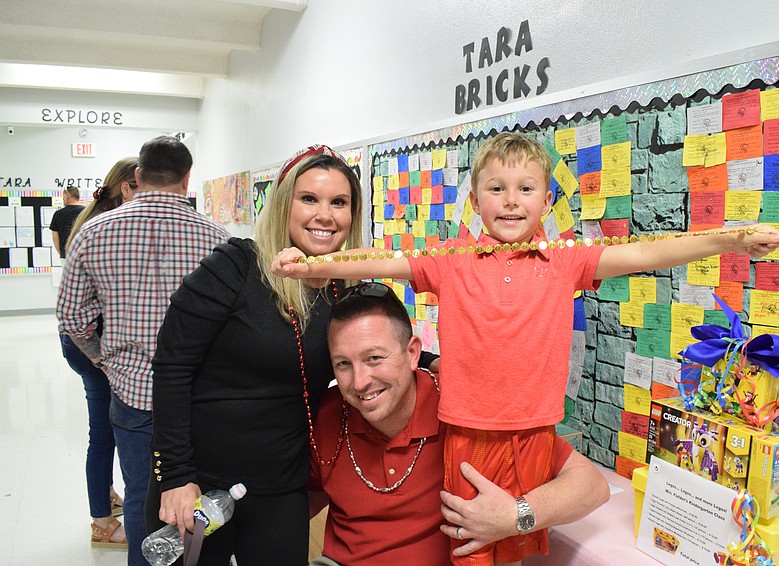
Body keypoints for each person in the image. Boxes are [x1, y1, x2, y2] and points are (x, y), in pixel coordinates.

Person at [272, 132, 779, 564]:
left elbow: (645, 252)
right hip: (468, 431)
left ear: (544, 200)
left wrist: (729, 240)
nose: (511, 201)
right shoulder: (451, 260)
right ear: (476, 201)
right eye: (496, 189)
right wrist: (311, 265)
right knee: (469, 546)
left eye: (525, 189)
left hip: (536, 431)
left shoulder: (564, 261)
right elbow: (378, 262)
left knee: (512, 552)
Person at [147, 145, 436, 565]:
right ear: (284, 204)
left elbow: (376, 345)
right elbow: (172, 368)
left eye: (339, 202)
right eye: (309, 199)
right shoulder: (235, 266)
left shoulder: (341, 285)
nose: (325, 214)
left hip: (281, 484)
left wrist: (430, 362)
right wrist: (175, 475)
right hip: (199, 481)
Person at [307, 281, 610, 565]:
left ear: (413, 353)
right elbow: (305, 495)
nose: (360, 382)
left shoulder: (468, 409)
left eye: (374, 358)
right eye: (343, 364)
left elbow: (592, 486)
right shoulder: (330, 413)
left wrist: (514, 516)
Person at [57, 137, 229, 566]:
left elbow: (71, 317)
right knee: (197, 492)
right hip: (195, 396)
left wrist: (103, 358)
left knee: (139, 495)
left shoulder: (93, 232)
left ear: (137, 177)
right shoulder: (217, 238)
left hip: (131, 390)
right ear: (187, 178)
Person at [58, 156, 139, 549]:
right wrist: (101, 357)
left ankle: (104, 495)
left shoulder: (93, 221)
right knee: (106, 431)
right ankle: (102, 522)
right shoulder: (104, 228)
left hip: (85, 341)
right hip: (90, 344)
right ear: (127, 188)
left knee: (103, 426)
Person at [49, 186, 85, 258]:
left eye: (63, 196)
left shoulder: (58, 214)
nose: (62, 199)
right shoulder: (86, 212)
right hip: (83, 254)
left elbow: (55, 237)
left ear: (68, 196)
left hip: (66, 255)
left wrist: (62, 254)